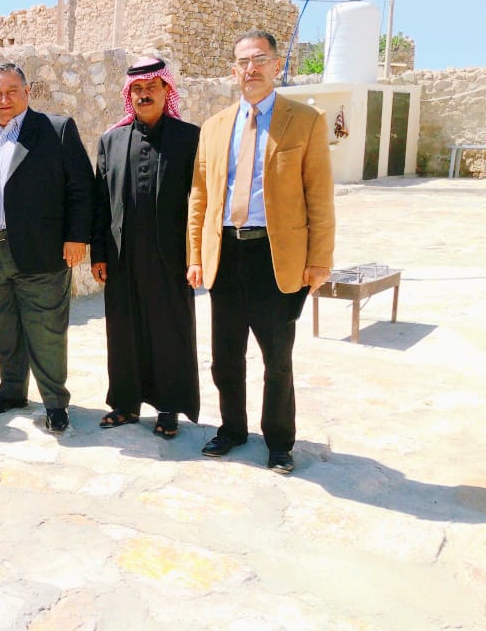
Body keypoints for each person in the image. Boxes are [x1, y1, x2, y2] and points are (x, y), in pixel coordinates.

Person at [187, 30, 335, 474]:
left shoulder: (305, 121)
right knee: (225, 356)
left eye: (259, 59)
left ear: (276, 65)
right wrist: (195, 255)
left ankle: (279, 442)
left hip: (275, 256)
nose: (250, 68)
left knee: (277, 359)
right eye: (242, 62)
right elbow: (200, 196)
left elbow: (319, 195)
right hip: (226, 254)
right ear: (234, 70)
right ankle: (232, 429)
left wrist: (319, 260)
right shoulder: (214, 127)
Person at [0, 62, 94, 433]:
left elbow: (81, 187)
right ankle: (12, 392)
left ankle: (55, 404)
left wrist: (77, 237)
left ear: (27, 92)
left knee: (46, 332)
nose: (4, 99)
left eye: (11, 91)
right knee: (3, 328)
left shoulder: (55, 129)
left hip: (42, 252)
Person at [91, 57, 201, 440]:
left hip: (171, 259)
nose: (143, 95)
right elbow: (100, 203)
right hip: (122, 258)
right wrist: (98, 253)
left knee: (169, 331)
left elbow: (200, 201)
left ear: (167, 89)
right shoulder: (111, 141)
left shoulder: (189, 138)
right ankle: (125, 404)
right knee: (123, 331)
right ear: (129, 94)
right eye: (136, 89)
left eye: (151, 87)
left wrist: (197, 256)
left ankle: (169, 408)